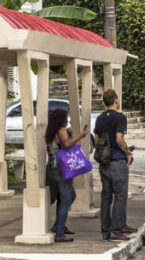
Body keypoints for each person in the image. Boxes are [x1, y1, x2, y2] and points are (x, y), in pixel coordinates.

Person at [94, 88, 134, 241]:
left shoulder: (100, 118)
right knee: (120, 196)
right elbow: (119, 139)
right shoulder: (120, 118)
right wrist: (128, 152)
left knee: (106, 197)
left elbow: (97, 141)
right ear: (116, 100)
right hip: (117, 161)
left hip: (104, 163)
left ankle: (105, 231)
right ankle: (116, 231)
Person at [46, 108, 88, 243]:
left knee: (67, 196)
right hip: (62, 168)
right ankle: (59, 233)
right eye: (66, 118)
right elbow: (66, 144)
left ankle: (59, 226)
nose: (68, 120)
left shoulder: (51, 131)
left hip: (52, 168)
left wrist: (69, 133)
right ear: (61, 120)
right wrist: (80, 136)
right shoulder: (61, 131)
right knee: (66, 199)